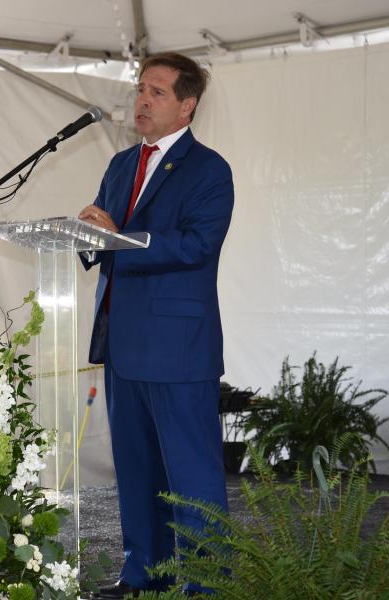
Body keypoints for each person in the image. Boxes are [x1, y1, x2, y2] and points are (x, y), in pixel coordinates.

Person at [78, 52, 234, 598]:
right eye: (141, 89)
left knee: (192, 479)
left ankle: (205, 585)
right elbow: (106, 234)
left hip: (177, 350)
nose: (142, 100)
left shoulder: (209, 170)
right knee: (137, 472)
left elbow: (197, 245)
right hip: (122, 345)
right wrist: (85, 236)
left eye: (158, 92)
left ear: (187, 105)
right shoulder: (122, 164)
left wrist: (119, 238)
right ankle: (141, 573)